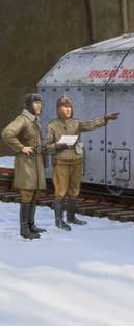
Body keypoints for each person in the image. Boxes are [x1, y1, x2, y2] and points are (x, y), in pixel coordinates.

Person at [45, 96, 119, 230]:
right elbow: (47, 146)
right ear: (58, 109)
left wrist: (105, 119)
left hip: (76, 161)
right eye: (64, 107)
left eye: (69, 107)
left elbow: (90, 124)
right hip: (61, 162)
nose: (68, 109)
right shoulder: (52, 125)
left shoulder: (76, 123)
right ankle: (59, 220)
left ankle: (71, 217)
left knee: (74, 191)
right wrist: (58, 145)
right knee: (61, 192)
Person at [1, 93, 47, 240]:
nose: (39, 105)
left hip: (36, 161)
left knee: (35, 193)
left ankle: (31, 224)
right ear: (28, 105)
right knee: (27, 194)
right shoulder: (23, 119)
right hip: (26, 162)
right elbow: (7, 133)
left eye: (40, 103)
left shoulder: (35, 120)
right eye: (35, 103)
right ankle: (24, 229)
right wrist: (21, 148)